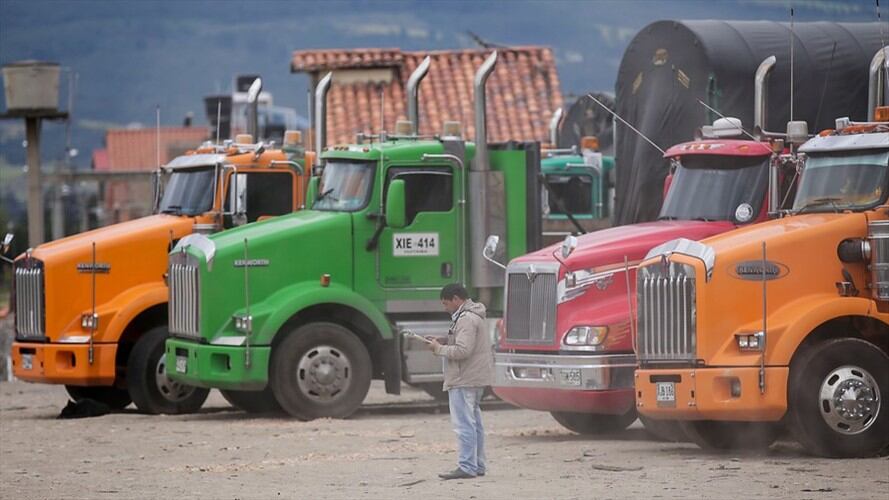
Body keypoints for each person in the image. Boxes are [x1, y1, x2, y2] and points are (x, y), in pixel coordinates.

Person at [427, 283, 494, 480]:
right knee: (475, 424)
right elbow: (463, 343)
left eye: (446, 303)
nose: (445, 307)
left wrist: (438, 349)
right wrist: (443, 339)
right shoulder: (474, 316)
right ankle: (477, 465)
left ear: (457, 299)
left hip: (463, 378)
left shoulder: (465, 319)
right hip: (474, 377)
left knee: (464, 424)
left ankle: (466, 466)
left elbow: (463, 351)